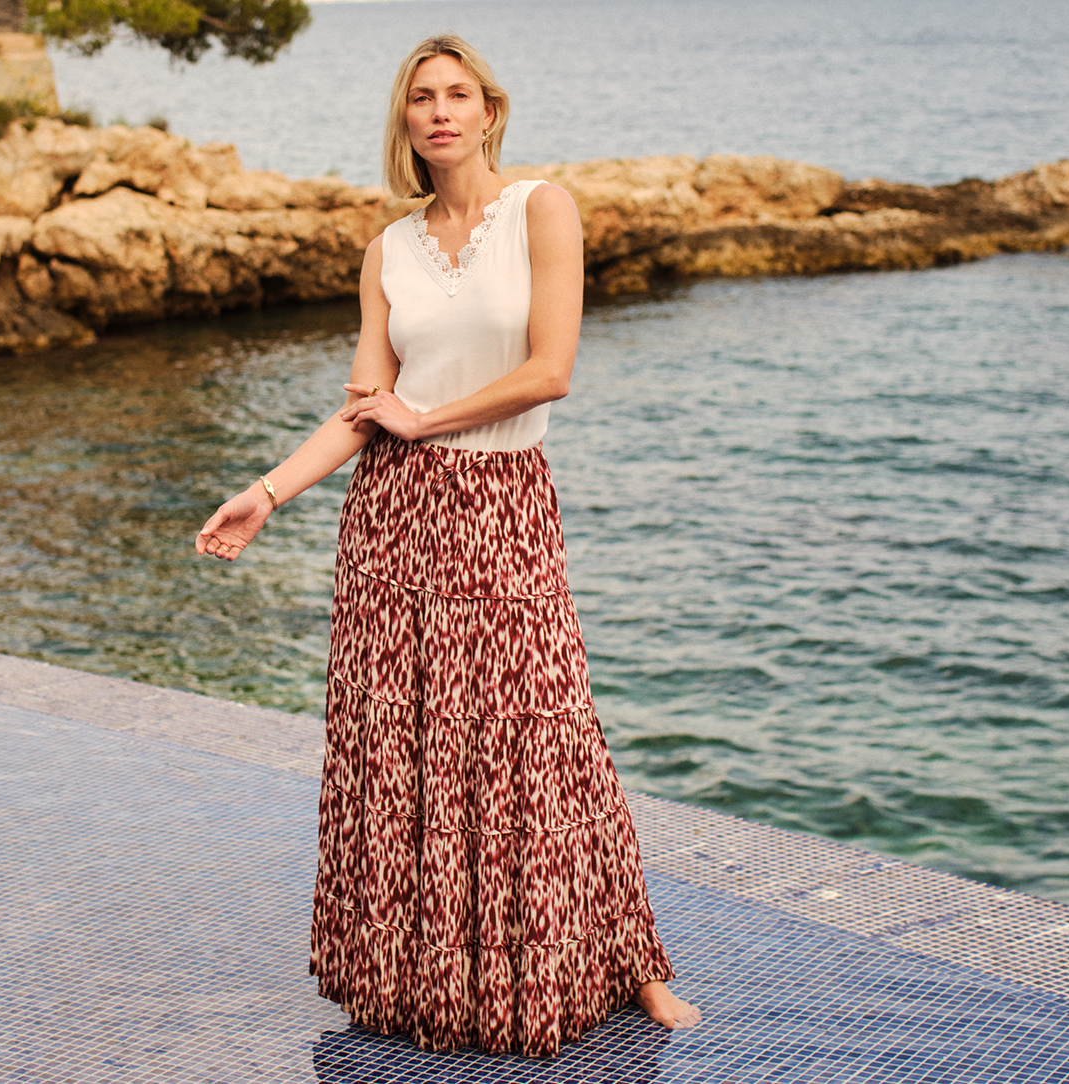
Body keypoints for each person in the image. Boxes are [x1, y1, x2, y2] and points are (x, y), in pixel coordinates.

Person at [195, 34, 700, 1059]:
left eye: (455, 94)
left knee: (544, 725)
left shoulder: (540, 210)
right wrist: (264, 493)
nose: (438, 112)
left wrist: (424, 418)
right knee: (409, 748)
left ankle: (631, 962)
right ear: (406, 123)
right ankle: (414, 975)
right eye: (420, 97)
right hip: (394, 523)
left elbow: (549, 369)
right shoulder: (388, 248)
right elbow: (361, 411)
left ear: (487, 112)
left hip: (505, 503)